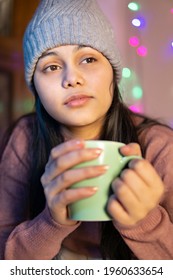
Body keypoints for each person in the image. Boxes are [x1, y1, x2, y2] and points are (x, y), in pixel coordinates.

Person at [0, 0, 173, 260]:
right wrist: (49, 222)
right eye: (51, 66)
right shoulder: (25, 139)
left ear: (113, 73)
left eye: (89, 59)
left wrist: (145, 222)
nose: (72, 78)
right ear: (35, 87)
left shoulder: (161, 147)